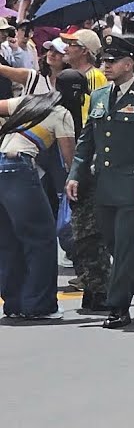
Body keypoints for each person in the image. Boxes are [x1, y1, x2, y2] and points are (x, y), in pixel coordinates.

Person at [66, 34, 134, 328]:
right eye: (104, 61)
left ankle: (119, 306)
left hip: (133, 186)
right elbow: (87, 141)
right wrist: (76, 174)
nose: (106, 66)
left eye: (112, 62)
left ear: (128, 64)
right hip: (105, 185)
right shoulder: (99, 96)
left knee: (124, 246)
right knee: (113, 243)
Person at [0, 91, 77, 320]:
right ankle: (40, 305)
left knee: (8, 240)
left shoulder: (27, 103)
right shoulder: (62, 114)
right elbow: (69, 159)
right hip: (19, 168)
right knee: (41, 239)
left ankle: (14, 304)